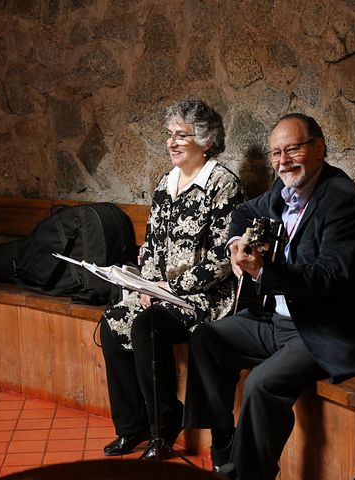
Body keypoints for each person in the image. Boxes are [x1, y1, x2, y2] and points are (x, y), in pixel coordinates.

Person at [183, 113, 355, 479]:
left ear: (319, 148)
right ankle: (224, 444)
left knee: (261, 383)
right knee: (205, 337)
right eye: (276, 153)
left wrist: (264, 271)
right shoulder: (284, 190)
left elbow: (330, 278)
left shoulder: (343, 202)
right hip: (276, 321)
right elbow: (244, 211)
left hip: (321, 330)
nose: (282, 161)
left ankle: (247, 474)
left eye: (292, 149)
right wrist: (234, 244)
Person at [99, 99, 245, 460]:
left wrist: (173, 289)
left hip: (206, 296)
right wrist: (146, 287)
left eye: (183, 135)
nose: (172, 142)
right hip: (162, 292)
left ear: (207, 140)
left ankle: (162, 429)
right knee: (113, 322)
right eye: (170, 135)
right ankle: (132, 426)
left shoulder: (223, 184)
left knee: (149, 325)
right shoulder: (166, 183)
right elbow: (150, 247)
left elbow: (223, 258)